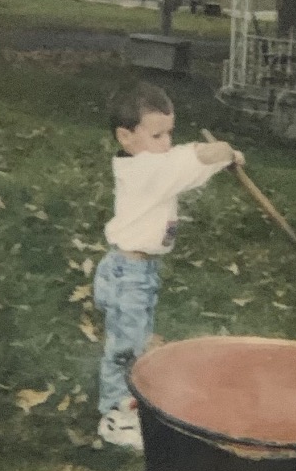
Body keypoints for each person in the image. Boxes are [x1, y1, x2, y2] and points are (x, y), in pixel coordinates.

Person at [93, 81, 245, 450]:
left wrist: (215, 159)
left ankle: (130, 399)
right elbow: (192, 160)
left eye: (169, 134)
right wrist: (228, 153)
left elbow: (183, 165)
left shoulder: (146, 164)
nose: (166, 143)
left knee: (132, 338)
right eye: (158, 135)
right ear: (125, 137)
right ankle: (116, 416)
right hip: (129, 275)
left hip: (133, 271)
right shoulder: (146, 170)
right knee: (125, 348)